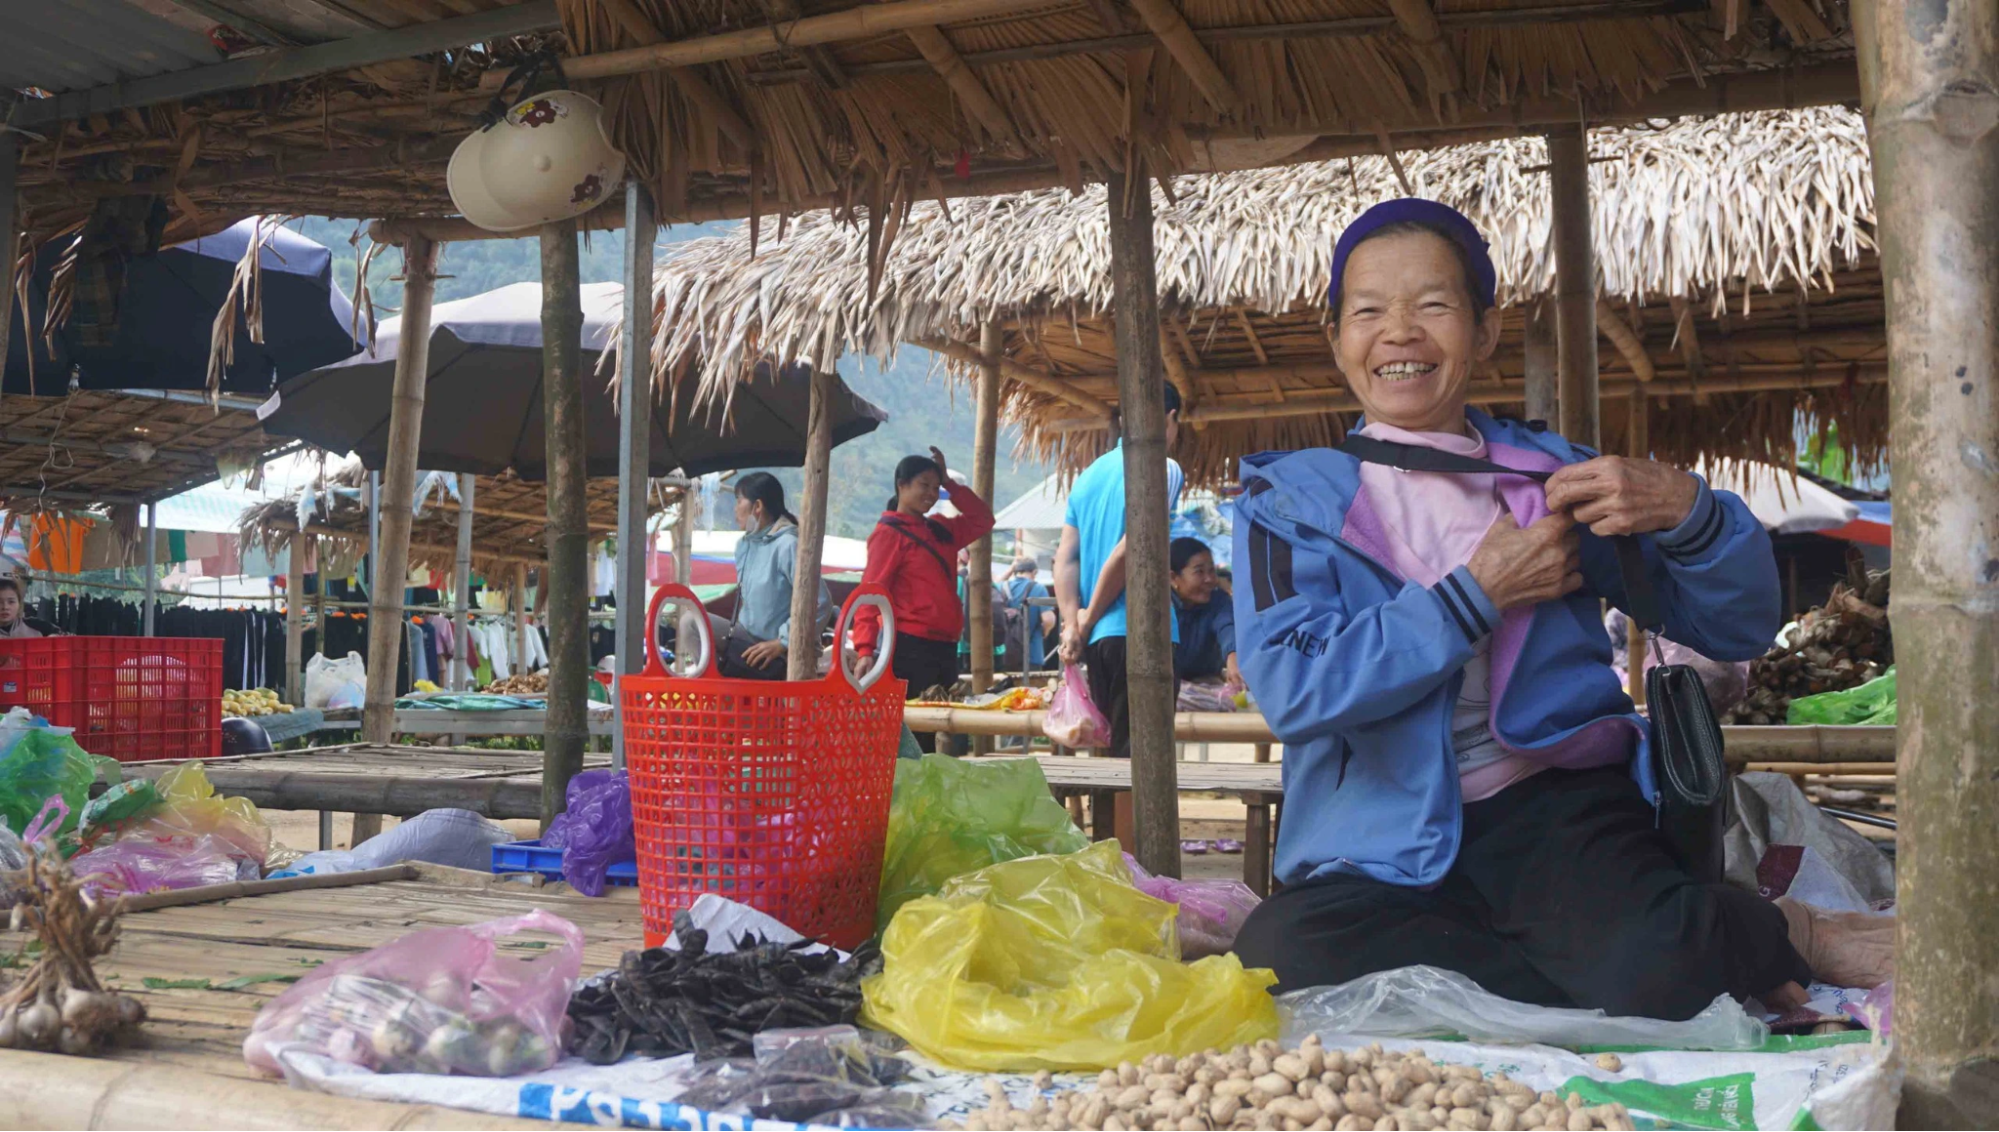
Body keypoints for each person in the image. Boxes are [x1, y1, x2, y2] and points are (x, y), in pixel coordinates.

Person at [1229, 198, 1889, 1020]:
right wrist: (1474, 597)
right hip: (1375, 829)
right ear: (1336, 339)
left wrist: (1694, 512)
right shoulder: (1288, 502)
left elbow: (1733, 627)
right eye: (1367, 311)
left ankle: (1771, 930)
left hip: (1552, 807)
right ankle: (1646, 948)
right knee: (1280, 959)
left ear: (1483, 330)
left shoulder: (1550, 480)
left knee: (1646, 970)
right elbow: (1294, 690)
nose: (1398, 333)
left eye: (1432, 305)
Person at [1054, 383, 1185, 761]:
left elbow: (1066, 556)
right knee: (1143, 762)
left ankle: (1111, 824)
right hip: (1141, 632)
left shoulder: (1088, 477)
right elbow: (1133, 547)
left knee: (1112, 757)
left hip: (1098, 642)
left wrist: (1072, 624)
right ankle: (1132, 826)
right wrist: (1088, 616)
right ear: (1172, 418)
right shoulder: (1164, 466)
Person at [854, 449, 994, 750]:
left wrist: (951, 485)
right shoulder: (889, 534)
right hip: (910, 646)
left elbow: (983, 518)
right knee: (917, 736)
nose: (931, 494)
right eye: (924, 485)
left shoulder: (940, 528)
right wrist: (865, 648)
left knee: (952, 730)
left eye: (936, 487)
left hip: (944, 646)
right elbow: (870, 593)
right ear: (901, 485)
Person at [715, 473, 831, 680]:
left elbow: (821, 602)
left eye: (739, 500)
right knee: (691, 624)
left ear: (757, 506)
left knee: (691, 624)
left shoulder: (788, 545)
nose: (735, 507)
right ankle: (726, 690)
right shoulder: (743, 546)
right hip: (747, 641)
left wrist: (782, 642)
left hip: (780, 652)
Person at [1168, 537, 1237, 685]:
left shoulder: (1218, 601)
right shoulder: (1160, 606)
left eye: (1212, 571)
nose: (1210, 579)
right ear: (1173, 578)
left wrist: (1233, 656)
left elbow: (1226, 626)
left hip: (1206, 682)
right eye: (1199, 572)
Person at [1001, 556, 1051, 670]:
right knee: (1031, 688)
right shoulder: (1039, 588)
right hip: (1032, 654)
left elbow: (992, 585)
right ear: (1035, 572)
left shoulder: (1001, 587)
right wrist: (1045, 631)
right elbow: (1048, 619)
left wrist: (1010, 570)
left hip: (1005, 653)